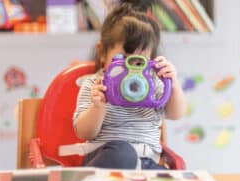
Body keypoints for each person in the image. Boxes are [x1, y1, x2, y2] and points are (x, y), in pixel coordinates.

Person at [73, 0, 187, 169]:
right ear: (103, 52)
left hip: (147, 162)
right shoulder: (95, 85)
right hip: (108, 160)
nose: (131, 70)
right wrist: (97, 107)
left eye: (139, 61)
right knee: (123, 152)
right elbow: (84, 132)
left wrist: (173, 83)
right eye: (124, 59)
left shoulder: (153, 83)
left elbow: (176, 114)